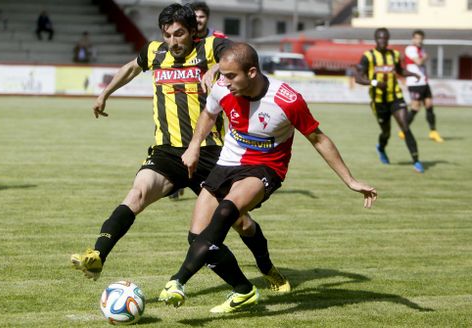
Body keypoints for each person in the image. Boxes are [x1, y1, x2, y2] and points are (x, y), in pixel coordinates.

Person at [70, 3, 290, 294]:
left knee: (242, 223)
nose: (172, 41)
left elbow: (241, 51)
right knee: (136, 194)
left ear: (193, 32)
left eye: (179, 34)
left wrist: (215, 68)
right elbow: (131, 68)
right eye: (167, 35)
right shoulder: (154, 52)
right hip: (167, 151)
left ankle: (266, 267)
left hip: (211, 152)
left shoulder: (211, 46)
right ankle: (98, 254)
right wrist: (104, 93)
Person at [158, 42, 377, 313]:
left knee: (226, 211)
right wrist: (194, 146)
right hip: (227, 163)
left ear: (251, 72)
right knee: (198, 239)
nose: (223, 81)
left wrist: (350, 180)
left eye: (230, 76)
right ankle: (243, 290)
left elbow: (318, 139)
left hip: (266, 167)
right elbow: (208, 114)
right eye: (222, 75)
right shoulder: (221, 88)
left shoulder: (288, 100)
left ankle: (178, 280)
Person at [169, 1, 227, 201]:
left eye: (202, 16)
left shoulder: (217, 39)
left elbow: (234, 56)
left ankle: (212, 180)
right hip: (187, 96)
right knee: (182, 133)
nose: (198, 19)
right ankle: (180, 177)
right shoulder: (183, 38)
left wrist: (215, 68)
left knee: (208, 139)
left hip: (212, 99)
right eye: (195, 16)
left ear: (207, 18)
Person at [355, 28, 424, 173]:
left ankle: (416, 160)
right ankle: (381, 148)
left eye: (385, 38)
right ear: (375, 39)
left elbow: (400, 70)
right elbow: (358, 78)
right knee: (386, 132)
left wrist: (412, 74)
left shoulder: (394, 54)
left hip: (396, 97)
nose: (383, 41)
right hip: (379, 101)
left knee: (405, 127)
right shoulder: (368, 56)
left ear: (388, 40)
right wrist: (374, 83)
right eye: (380, 38)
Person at [400, 30, 443, 143]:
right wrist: (425, 57)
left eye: (421, 38)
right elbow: (418, 62)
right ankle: (403, 129)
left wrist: (424, 56)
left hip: (424, 81)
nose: (419, 40)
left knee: (429, 105)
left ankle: (433, 131)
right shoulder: (410, 49)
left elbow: (421, 61)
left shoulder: (421, 50)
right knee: (415, 107)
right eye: (417, 38)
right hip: (414, 83)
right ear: (413, 39)